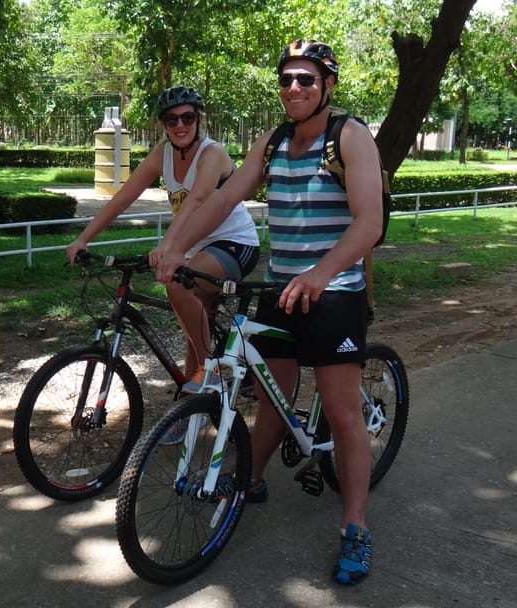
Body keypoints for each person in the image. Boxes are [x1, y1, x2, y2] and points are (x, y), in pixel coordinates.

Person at [152, 40, 383, 584]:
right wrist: (174, 246)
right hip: (283, 290)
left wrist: (321, 274)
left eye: (306, 79)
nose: (294, 89)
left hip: (336, 292)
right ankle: (249, 477)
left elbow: (369, 223)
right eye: (286, 80)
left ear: (327, 85)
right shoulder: (275, 141)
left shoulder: (348, 136)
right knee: (273, 397)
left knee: (342, 412)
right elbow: (221, 199)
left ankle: (356, 528)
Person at [66, 86, 260, 401]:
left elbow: (196, 200)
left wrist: (170, 247)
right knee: (192, 327)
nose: (180, 125)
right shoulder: (163, 154)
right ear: (163, 125)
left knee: (178, 288)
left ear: (199, 120)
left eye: (187, 117)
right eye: (171, 120)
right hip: (197, 249)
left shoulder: (213, 154)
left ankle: (210, 369)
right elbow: (124, 197)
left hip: (235, 244)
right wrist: (83, 238)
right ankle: (192, 402)